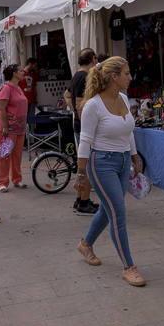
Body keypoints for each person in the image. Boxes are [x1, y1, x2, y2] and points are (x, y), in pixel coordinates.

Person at [74, 56, 145, 287]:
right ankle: (129, 266)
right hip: (101, 163)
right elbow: (84, 140)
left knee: (108, 209)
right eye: (126, 73)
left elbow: (128, 131)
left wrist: (134, 157)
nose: (130, 77)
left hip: (123, 161)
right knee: (119, 212)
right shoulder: (93, 105)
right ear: (114, 77)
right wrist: (81, 173)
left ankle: (85, 244)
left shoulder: (123, 98)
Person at [63, 49, 100, 215]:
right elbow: (79, 103)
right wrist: (86, 124)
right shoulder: (84, 77)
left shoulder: (76, 76)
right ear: (93, 59)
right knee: (88, 167)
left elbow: (67, 95)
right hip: (84, 128)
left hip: (80, 126)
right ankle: (84, 201)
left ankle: (80, 200)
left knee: (83, 166)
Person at [0, 63, 28, 191]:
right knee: (4, 155)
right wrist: (5, 127)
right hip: (7, 128)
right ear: (14, 73)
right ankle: (2, 182)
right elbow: (1, 108)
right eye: (20, 70)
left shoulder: (18, 88)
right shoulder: (6, 88)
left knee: (17, 155)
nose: (23, 72)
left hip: (19, 128)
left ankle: (17, 179)